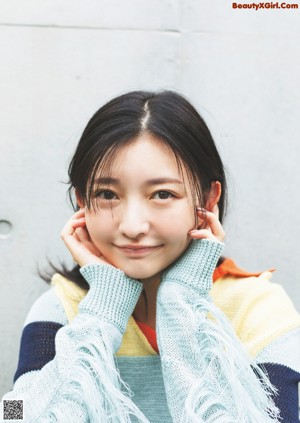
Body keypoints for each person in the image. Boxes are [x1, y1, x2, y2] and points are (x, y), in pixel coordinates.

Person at [2, 91, 300, 422]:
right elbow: (13, 414)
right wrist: (103, 313)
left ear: (208, 199)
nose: (132, 226)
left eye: (162, 194)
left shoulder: (257, 308)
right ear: (82, 202)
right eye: (107, 194)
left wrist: (181, 304)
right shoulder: (63, 306)